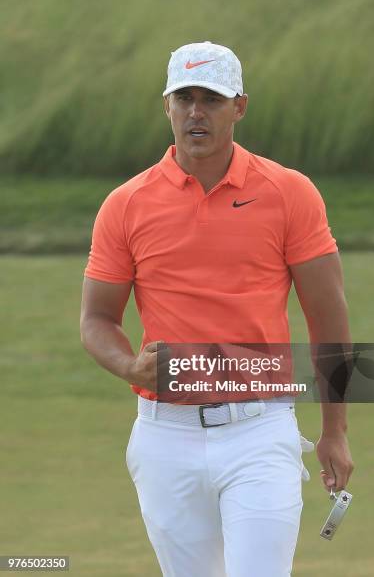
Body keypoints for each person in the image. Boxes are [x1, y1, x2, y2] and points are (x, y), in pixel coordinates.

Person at [80, 41, 354, 576]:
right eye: (184, 98)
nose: (196, 112)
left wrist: (335, 431)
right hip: (164, 436)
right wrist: (126, 365)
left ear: (240, 107)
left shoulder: (289, 193)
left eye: (212, 98)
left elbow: (329, 318)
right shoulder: (126, 204)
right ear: (167, 106)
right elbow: (97, 320)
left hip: (259, 430)